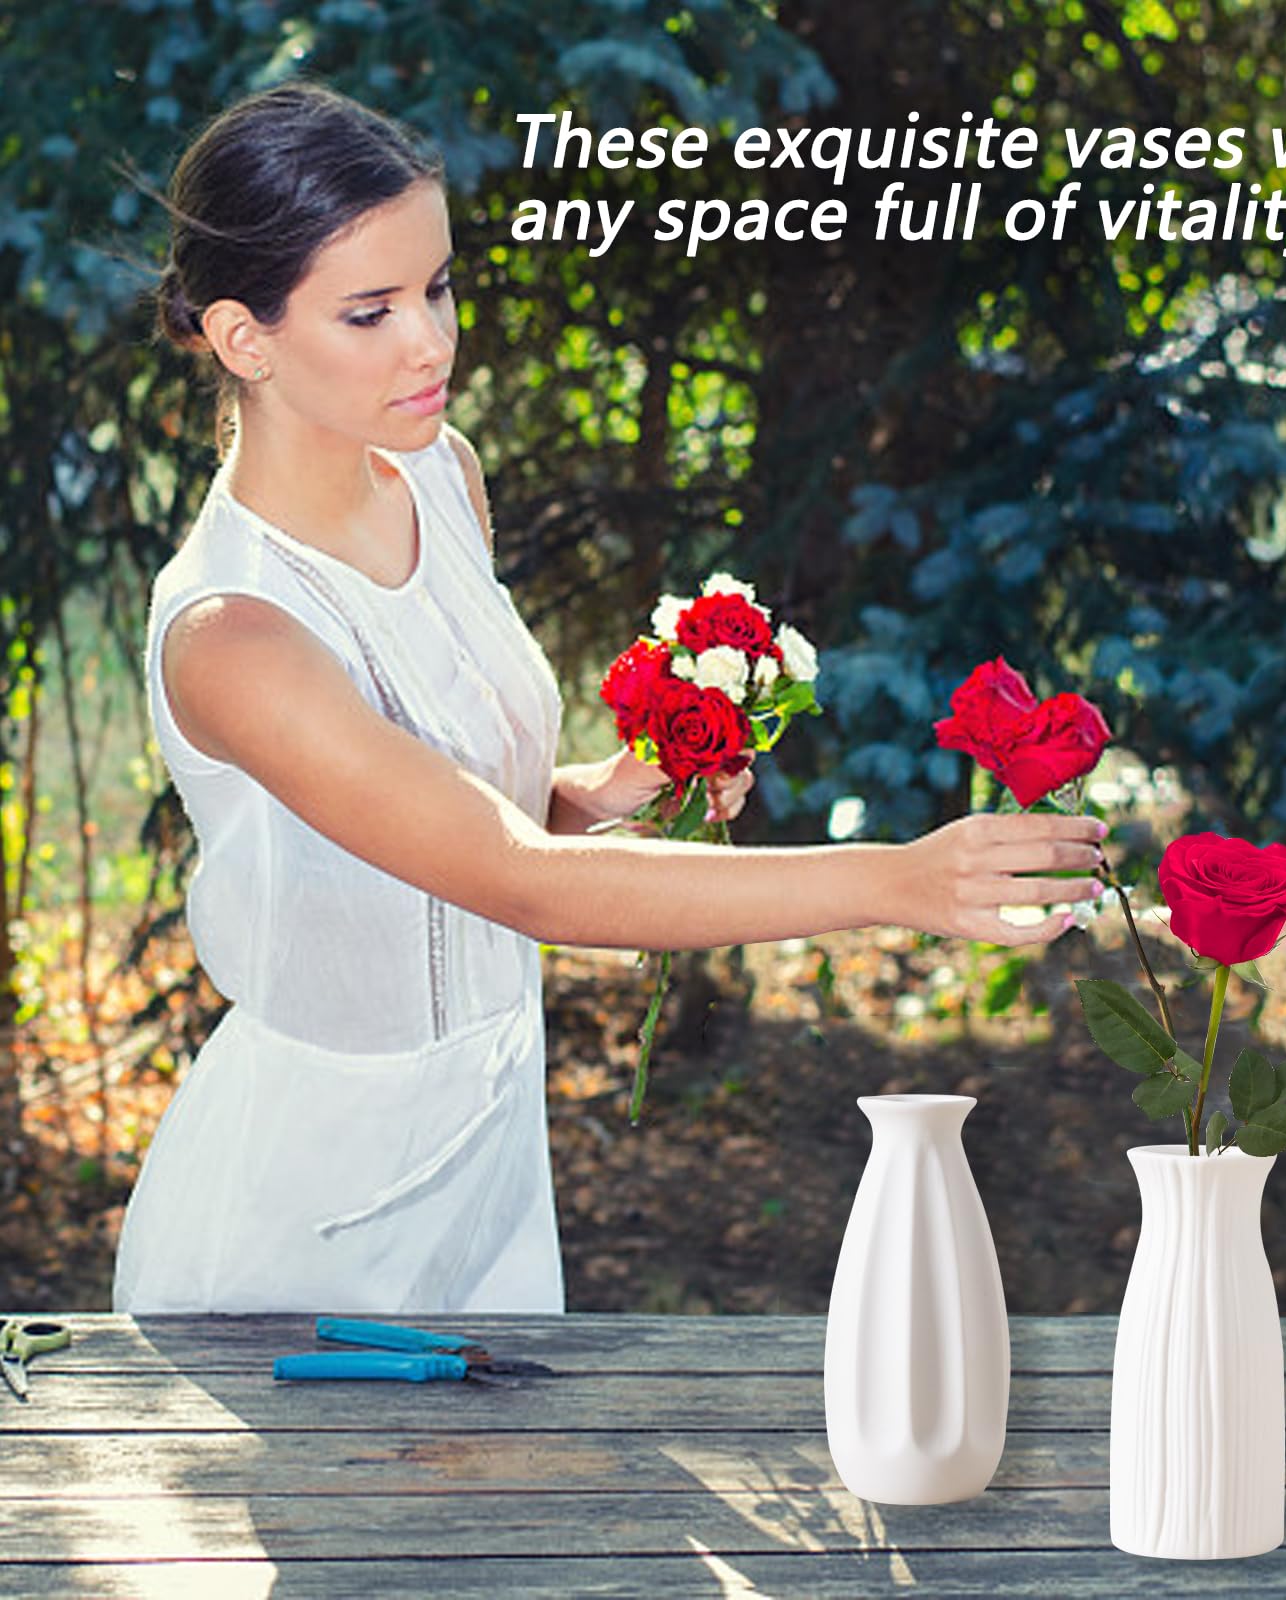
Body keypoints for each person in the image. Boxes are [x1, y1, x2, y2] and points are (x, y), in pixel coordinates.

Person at [111, 80, 1105, 1317]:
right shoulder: (236, 635)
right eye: (369, 311)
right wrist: (902, 880)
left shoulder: (438, 478)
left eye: (438, 287)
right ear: (243, 337)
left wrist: (615, 786)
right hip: (299, 1209)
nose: (430, 342)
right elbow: (516, 878)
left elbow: (481, 822)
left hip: (490, 1161)